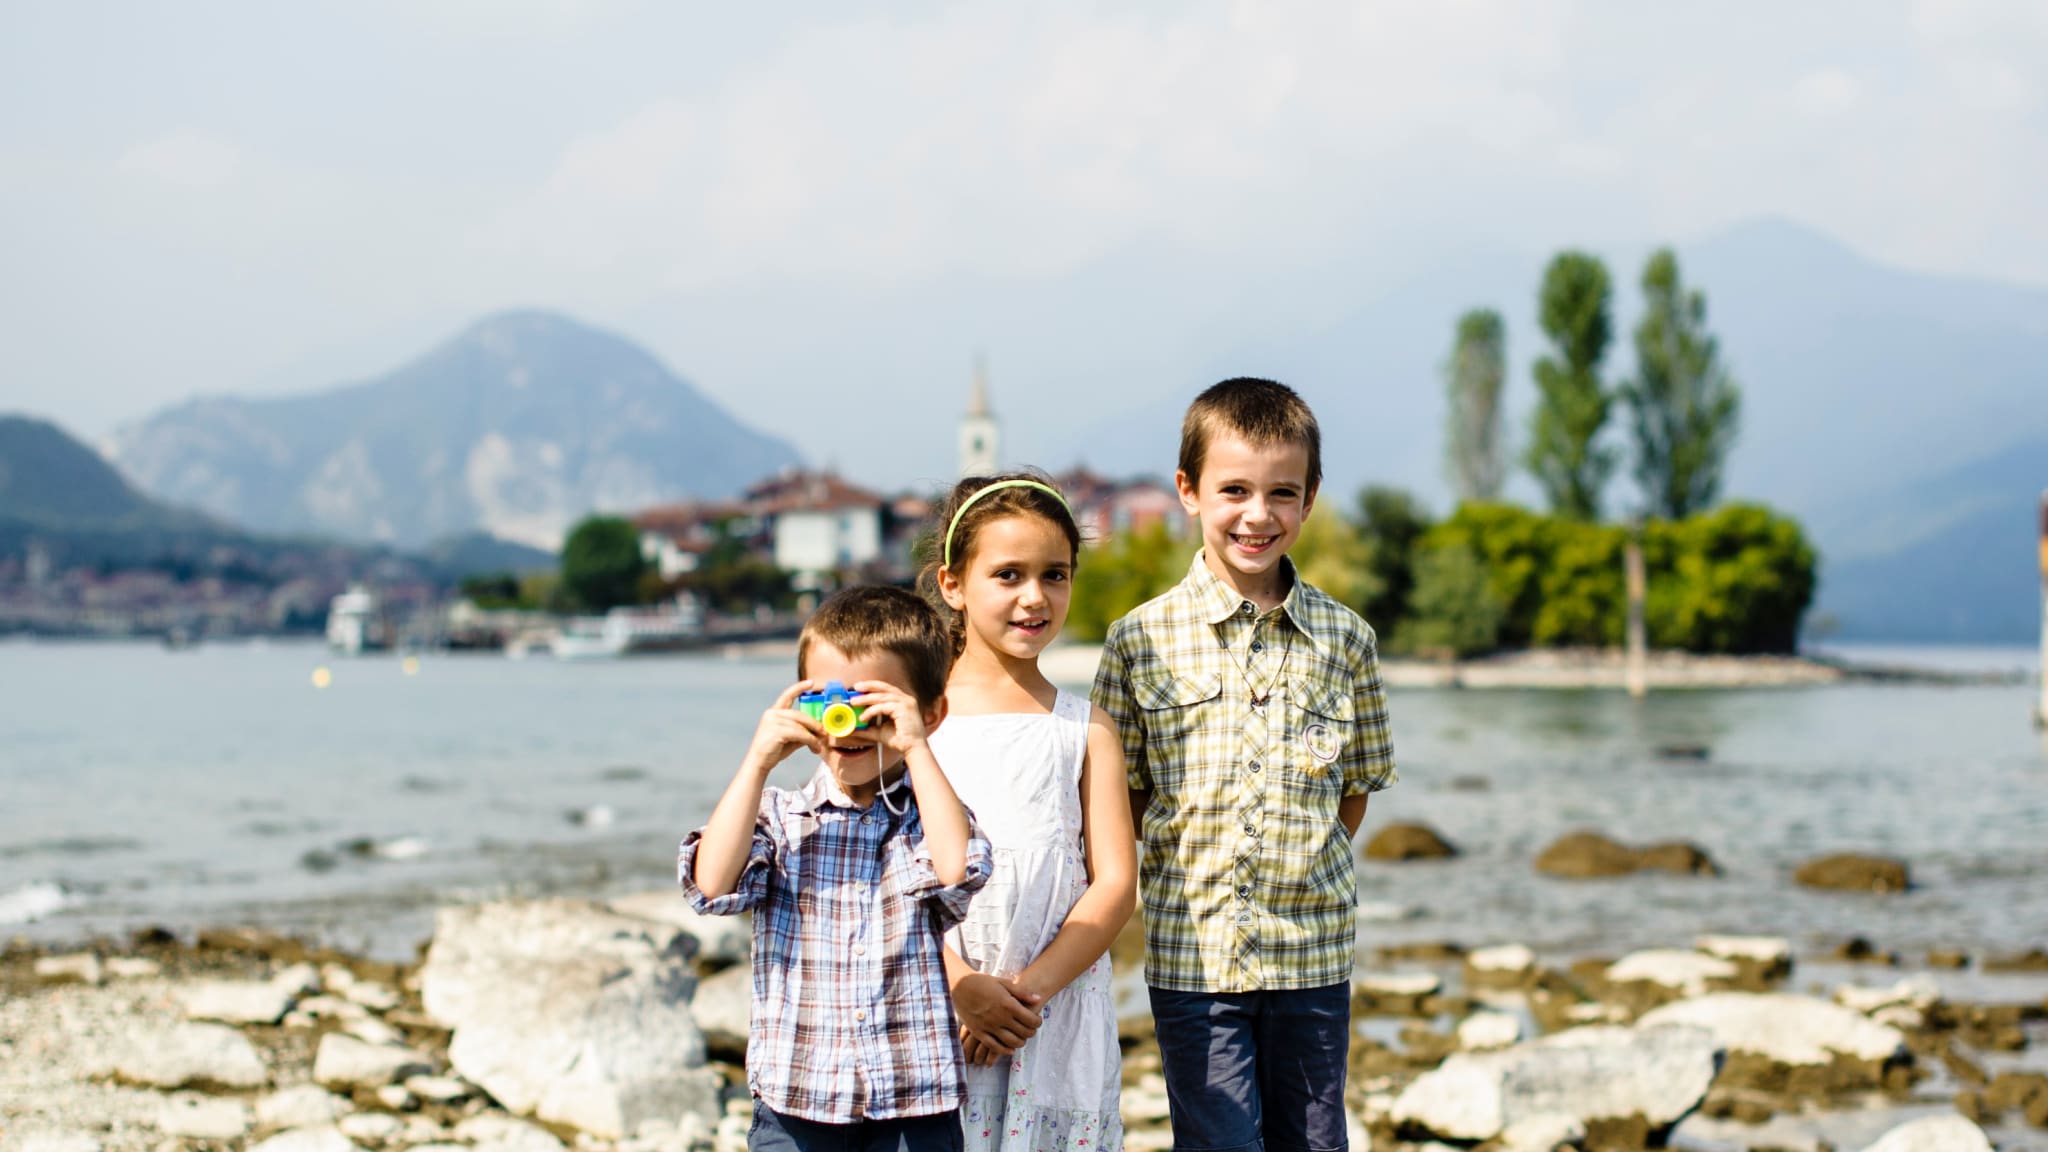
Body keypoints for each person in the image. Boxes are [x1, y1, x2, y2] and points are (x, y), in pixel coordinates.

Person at [1091, 378, 1397, 1152]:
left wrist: (1295, 866)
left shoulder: (1348, 640)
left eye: (1281, 493)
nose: (1257, 514)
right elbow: (1118, 797)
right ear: (1189, 491)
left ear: (1310, 498)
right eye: (1234, 490)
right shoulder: (1138, 640)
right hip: (1194, 959)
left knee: (1316, 1141)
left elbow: (1354, 789)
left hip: (1313, 955)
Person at [680, 584, 993, 1152]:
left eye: (871, 704)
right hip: (797, 1100)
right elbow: (711, 885)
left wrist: (916, 747)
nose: (849, 724)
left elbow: (957, 870)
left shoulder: (930, 819)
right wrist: (756, 762)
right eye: (830, 701)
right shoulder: (779, 816)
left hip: (912, 1102)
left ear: (929, 712)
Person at [920, 474, 1137, 1152]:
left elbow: (1115, 885)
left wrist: (1024, 996)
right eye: (1008, 575)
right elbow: (868, 873)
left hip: (1053, 1014)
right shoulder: (910, 724)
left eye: (1056, 575)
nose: (1034, 597)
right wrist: (961, 988)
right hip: (933, 1008)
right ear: (953, 583)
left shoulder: (1085, 729)